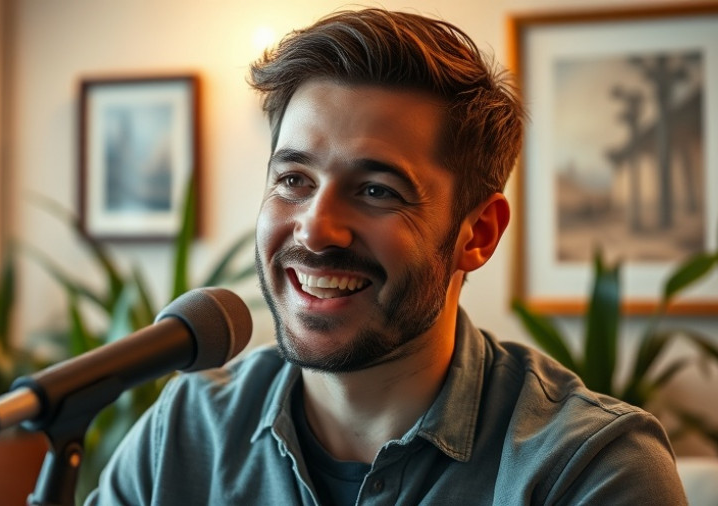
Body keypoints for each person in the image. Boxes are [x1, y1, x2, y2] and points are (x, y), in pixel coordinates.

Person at [86, 8, 687, 505]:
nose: (315, 230)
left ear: (478, 234)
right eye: (294, 180)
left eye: (377, 191)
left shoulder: (588, 469)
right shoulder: (186, 432)